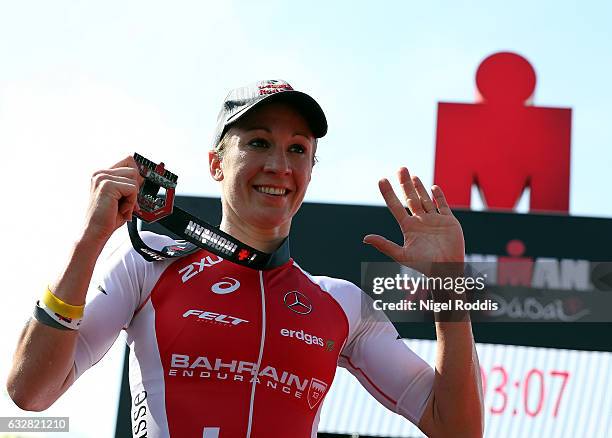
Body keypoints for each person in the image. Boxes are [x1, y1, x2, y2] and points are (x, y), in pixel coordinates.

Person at [7, 80, 484, 437]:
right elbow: (30, 391)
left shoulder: (343, 305)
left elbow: (456, 429)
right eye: (258, 142)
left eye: (298, 149)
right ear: (216, 163)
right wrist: (90, 240)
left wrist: (450, 287)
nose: (279, 165)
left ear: (310, 173)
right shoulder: (147, 263)